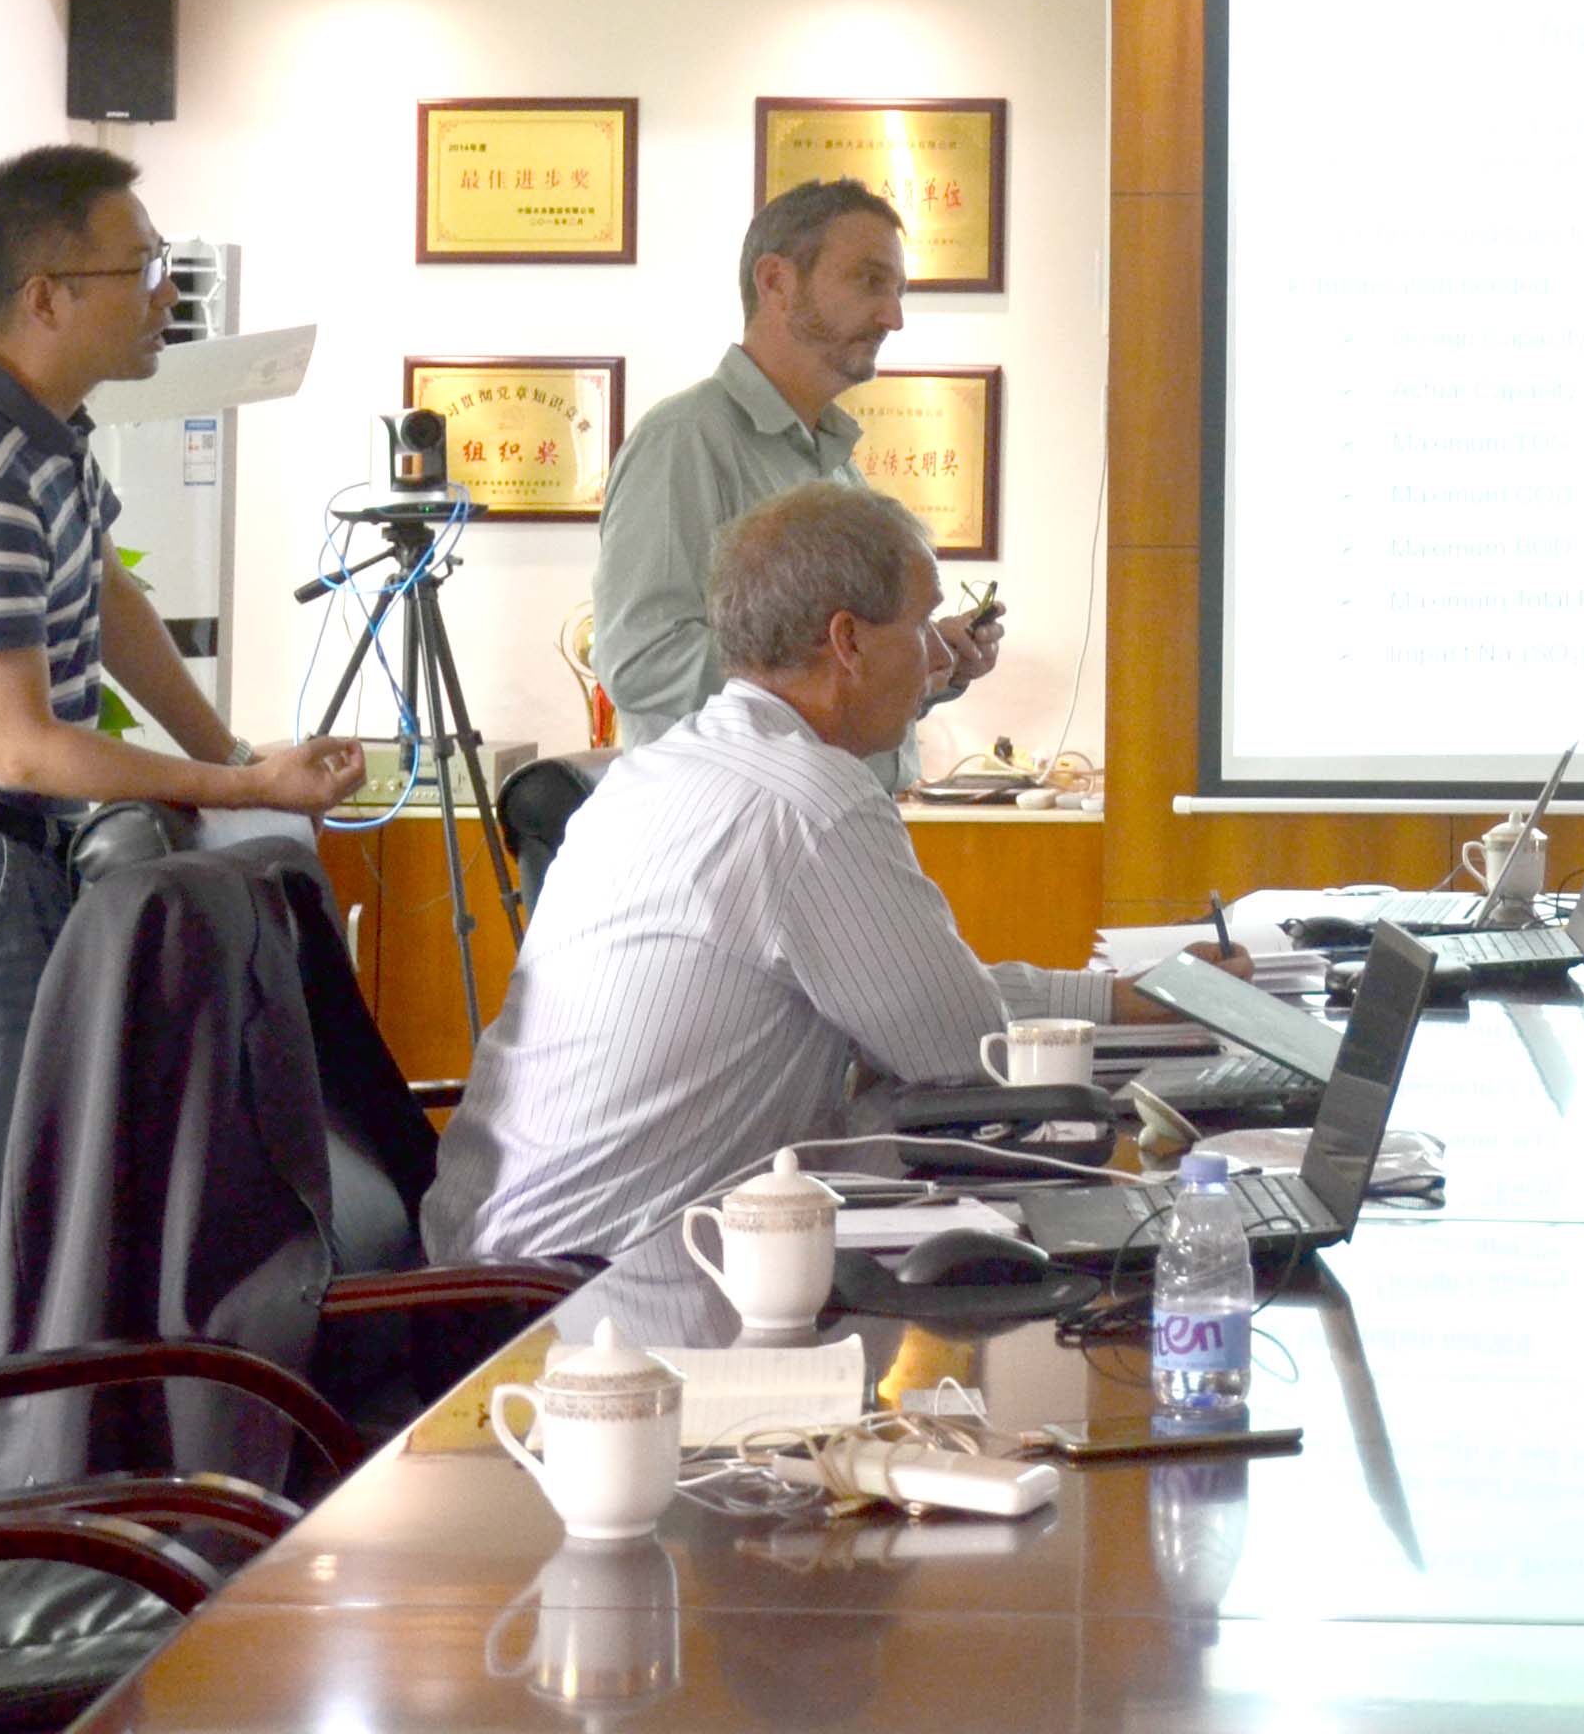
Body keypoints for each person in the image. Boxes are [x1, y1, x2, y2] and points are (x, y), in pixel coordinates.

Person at [0, 146, 364, 1499]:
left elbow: (110, 602)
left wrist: (225, 750)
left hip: (8, 865)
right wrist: (241, 791)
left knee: (14, 1248)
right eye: (143, 271)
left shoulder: (42, 435)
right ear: (47, 295)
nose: (164, 297)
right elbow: (22, 743)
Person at [432, 481, 1136, 1267]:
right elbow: (969, 1051)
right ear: (849, 641)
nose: (940, 658)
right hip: (594, 1287)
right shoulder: (811, 803)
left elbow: (926, 997)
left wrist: (1116, 998)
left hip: (483, 1259)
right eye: (921, 625)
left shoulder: (659, 767)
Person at [589, 178, 1002, 764]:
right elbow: (642, 662)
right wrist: (844, 669)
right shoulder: (686, 439)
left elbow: (835, 684)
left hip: (832, 807)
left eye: (898, 291)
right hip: (743, 814)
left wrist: (922, 653)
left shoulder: (834, 461)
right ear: (776, 282)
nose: (893, 317)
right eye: (870, 281)